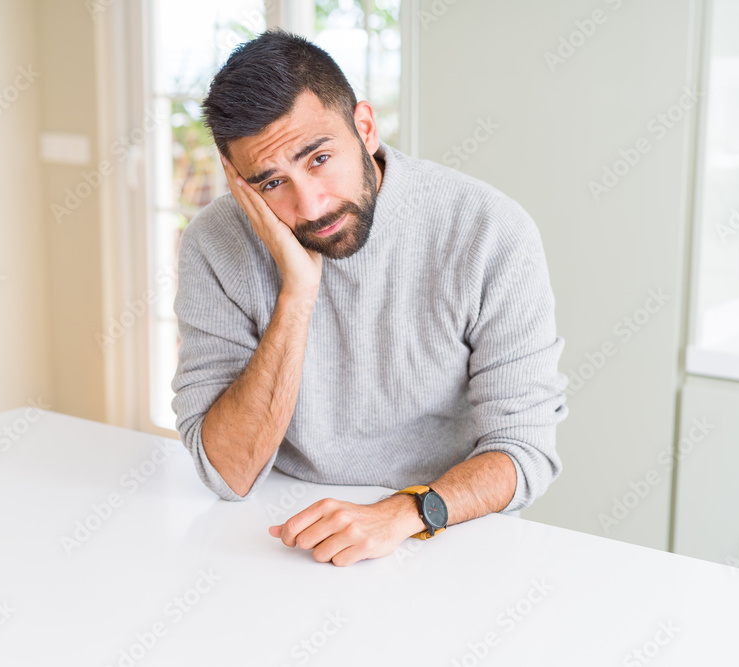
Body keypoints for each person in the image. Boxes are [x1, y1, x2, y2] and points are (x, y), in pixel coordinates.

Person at [171, 29, 568, 567]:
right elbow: (227, 473)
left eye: (318, 159)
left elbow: (524, 451)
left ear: (365, 126)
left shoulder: (491, 231)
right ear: (240, 183)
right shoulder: (214, 244)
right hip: (278, 536)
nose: (309, 206)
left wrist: (401, 514)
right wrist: (297, 294)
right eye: (270, 183)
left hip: (444, 527)